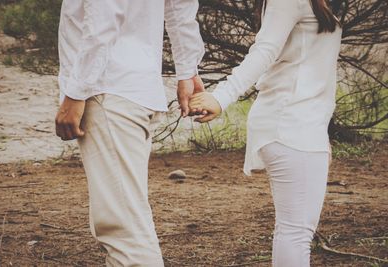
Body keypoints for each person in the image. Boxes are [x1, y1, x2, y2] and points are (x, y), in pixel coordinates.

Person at [189, 0, 342, 266]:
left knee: (294, 230)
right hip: (290, 123)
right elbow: (264, 51)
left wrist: (321, 135)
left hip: (305, 125)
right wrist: (221, 98)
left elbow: (316, 73)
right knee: (296, 232)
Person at [55, 0, 204, 266]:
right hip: (133, 86)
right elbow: (180, 5)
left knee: (125, 232)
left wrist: (76, 91)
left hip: (108, 86)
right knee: (126, 218)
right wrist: (186, 70)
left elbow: (104, 16)